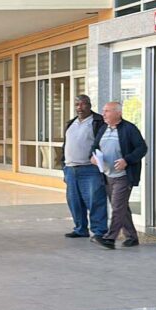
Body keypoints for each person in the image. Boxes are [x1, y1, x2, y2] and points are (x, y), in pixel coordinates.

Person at [91, 101, 148, 249]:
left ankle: (110, 239)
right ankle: (132, 237)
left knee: (117, 207)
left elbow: (142, 148)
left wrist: (126, 160)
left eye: (107, 111)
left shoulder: (129, 128)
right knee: (121, 207)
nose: (103, 114)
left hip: (123, 176)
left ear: (118, 113)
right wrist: (93, 157)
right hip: (108, 176)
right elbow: (95, 147)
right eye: (103, 111)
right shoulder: (103, 128)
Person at [61, 95, 108, 240]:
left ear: (89, 105)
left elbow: (104, 144)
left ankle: (99, 231)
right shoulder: (71, 123)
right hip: (71, 169)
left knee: (95, 201)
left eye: (83, 104)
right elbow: (66, 145)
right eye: (77, 105)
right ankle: (80, 229)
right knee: (74, 201)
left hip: (90, 169)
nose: (79, 108)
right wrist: (64, 166)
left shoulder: (98, 122)